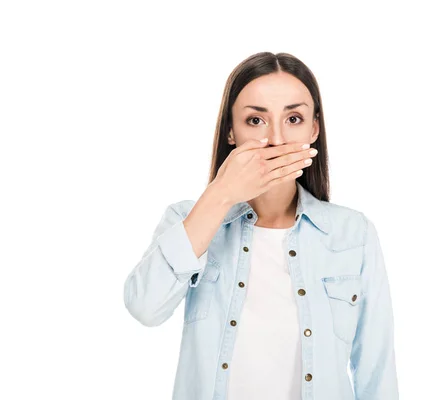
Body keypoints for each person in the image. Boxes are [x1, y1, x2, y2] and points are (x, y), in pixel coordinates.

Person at [123, 52, 399, 400]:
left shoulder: (353, 233)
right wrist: (220, 194)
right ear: (230, 131)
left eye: (294, 118)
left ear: (314, 128)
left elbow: (377, 370)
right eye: (255, 121)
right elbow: (144, 307)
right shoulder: (188, 220)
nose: (276, 139)